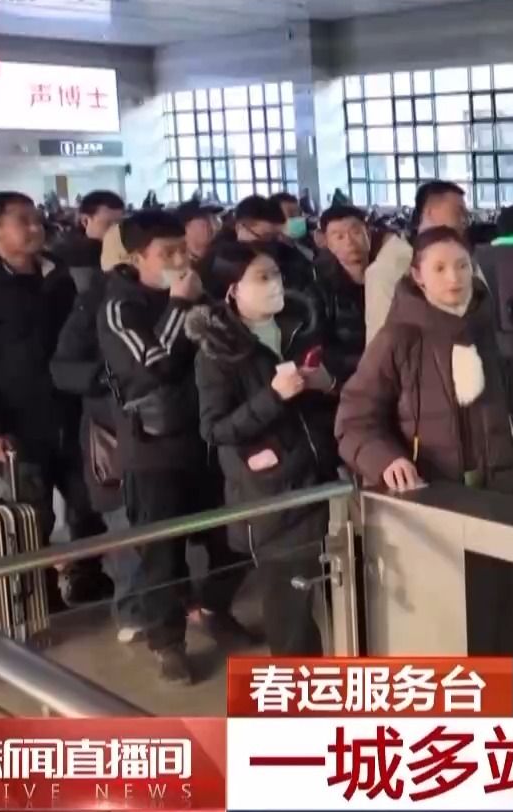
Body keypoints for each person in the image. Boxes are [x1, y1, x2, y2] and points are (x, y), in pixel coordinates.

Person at [98, 210, 255, 683]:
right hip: (155, 450)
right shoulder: (119, 308)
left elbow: (233, 347)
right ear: (136, 259)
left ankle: (214, 606)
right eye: (166, 253)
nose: (180, 261)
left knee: (233, 538)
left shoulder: (197, 293)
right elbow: (156, 365)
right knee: (162, 556)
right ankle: (167, 643)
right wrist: (180, 306)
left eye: (183, 250)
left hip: (209, 440)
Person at [0, 192, 110, 606]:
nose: (35, 227)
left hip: (71, 414)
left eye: (37, 219)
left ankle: (86, 575)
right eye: (22, 220)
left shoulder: (59, 279)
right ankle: (41, 592)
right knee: (32, 515)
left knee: (87, 505)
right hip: (17, 424)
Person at [188, 241, 337, 656]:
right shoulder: (218, 351)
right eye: (262, 277)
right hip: (273, 493)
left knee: (335, 596)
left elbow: (331, 389)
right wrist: (273, 396)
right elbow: (215, 428)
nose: (275, 284)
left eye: (277, 275)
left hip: (324, 475)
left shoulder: (298, 327)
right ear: (233, 289)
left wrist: (328, 383)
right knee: (290, 613)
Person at [336, 227, 513, 495]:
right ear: (418, 275)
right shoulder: (398, 338)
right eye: (439, 268)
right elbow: (354, 420)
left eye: (462, 266)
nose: (454, 278)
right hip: (428, 495)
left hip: (500, 493)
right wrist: (386, 461)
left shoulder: (492, 330)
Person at [49, 221, 143, 642]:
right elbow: (63, 369)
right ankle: (131, 609)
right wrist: (111, 377)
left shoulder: (175, 299)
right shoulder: (95, 303)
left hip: (165, 428)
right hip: (112, 429)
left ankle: (167, 601)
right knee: (124, 523)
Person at [365, 181, 467, 345]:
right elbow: (381, 343)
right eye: (458, 212)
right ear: (430, 212)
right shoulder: (389, 270)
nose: (464, 220)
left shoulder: (464, 259)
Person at [314, 204, 371, 379]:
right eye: (339, 236)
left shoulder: (389, 274)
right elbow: (324, 347)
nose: (349, 242)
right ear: (327, 243)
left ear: (368, 234)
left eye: (356, 232)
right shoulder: (321, 287)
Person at [232, 195, 318, 300]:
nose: (270, 243)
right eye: (265, 236)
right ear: (239, 228)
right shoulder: (223, 262)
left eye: (274, 237)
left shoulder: (289, 257)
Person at [55, 190, 125, 293]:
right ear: (85, 221)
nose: (116, 230)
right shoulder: (74, 256)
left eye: (120, 224)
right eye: (108, 224)